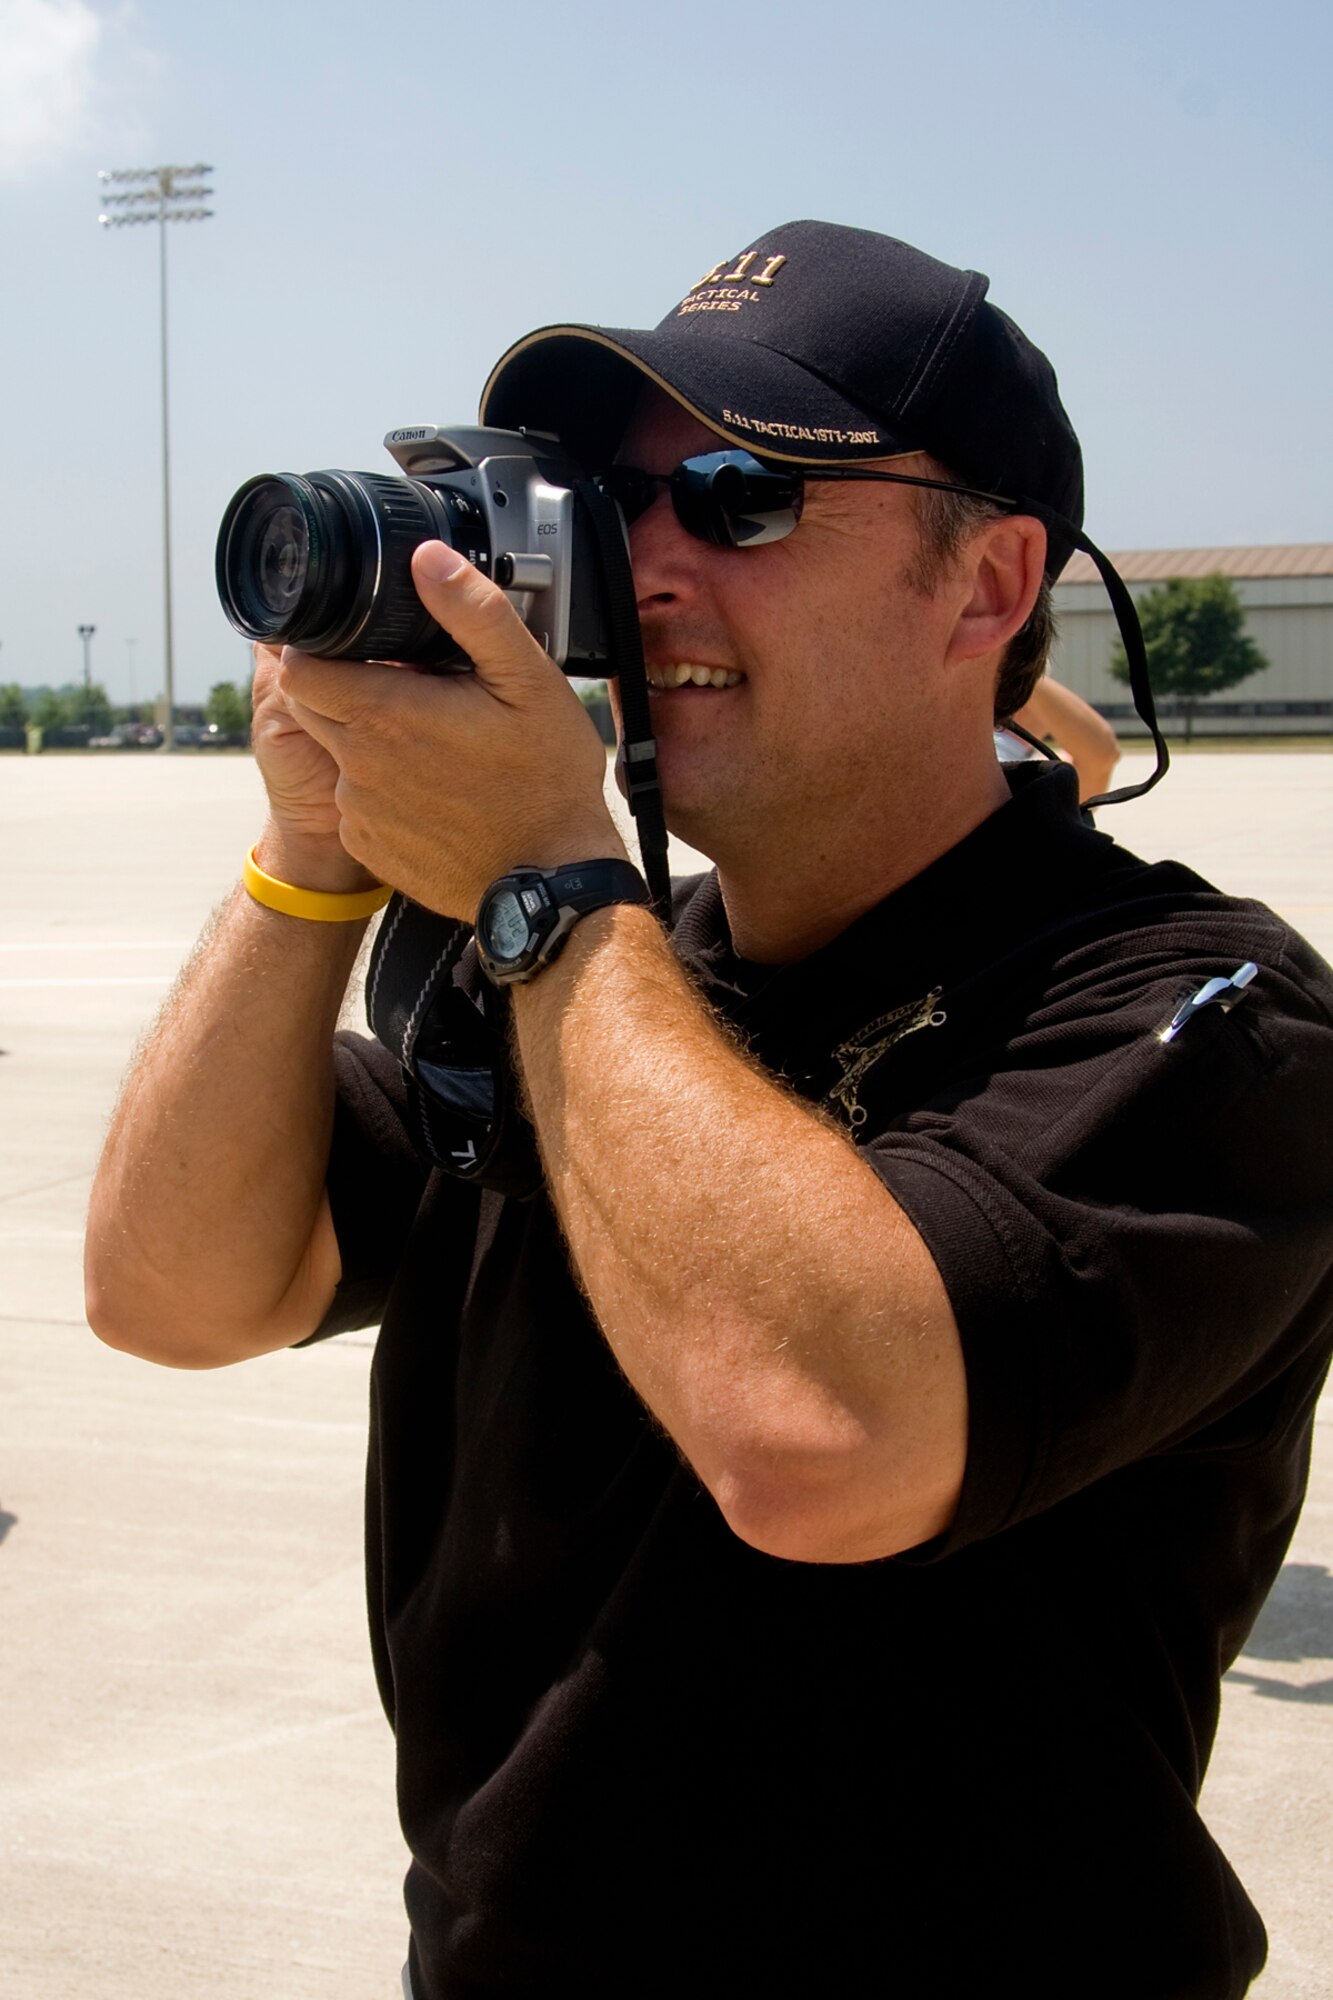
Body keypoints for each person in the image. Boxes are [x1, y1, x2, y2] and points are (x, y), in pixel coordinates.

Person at [85, 221, 1333, 1998]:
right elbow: (174, 1292)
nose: (642, 563)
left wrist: (543, 887)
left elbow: (817, 1439)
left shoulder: (1194, 1015)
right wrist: (310, 857)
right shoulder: (578, 974)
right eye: (613, 500)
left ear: (983, 587)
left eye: (739, 497)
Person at [1002, 671, 1123, 801]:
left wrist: (1015, 666)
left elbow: (1102, 754)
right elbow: (1102, 754)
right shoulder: (1041, 773)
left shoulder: (1041, 772)